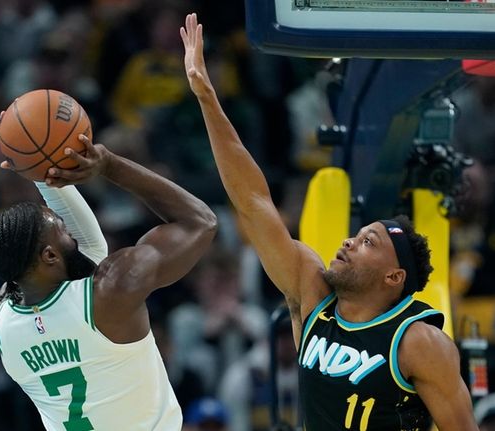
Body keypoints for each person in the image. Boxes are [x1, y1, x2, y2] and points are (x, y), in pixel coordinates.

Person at [180, 13, 478, 430]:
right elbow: (252, 202)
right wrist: (208, 98)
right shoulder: (313, 297)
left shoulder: (419, 342)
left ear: (394, 277)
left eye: (369, 242)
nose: (349, 242)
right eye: (358, 236)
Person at [0, 127, 217, 430]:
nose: (73, 236)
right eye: (64, 231)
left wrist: (40, 168)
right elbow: (201, 222)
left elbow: (85, 255)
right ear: (50, 257)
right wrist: (108, 165)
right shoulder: (112, 290)